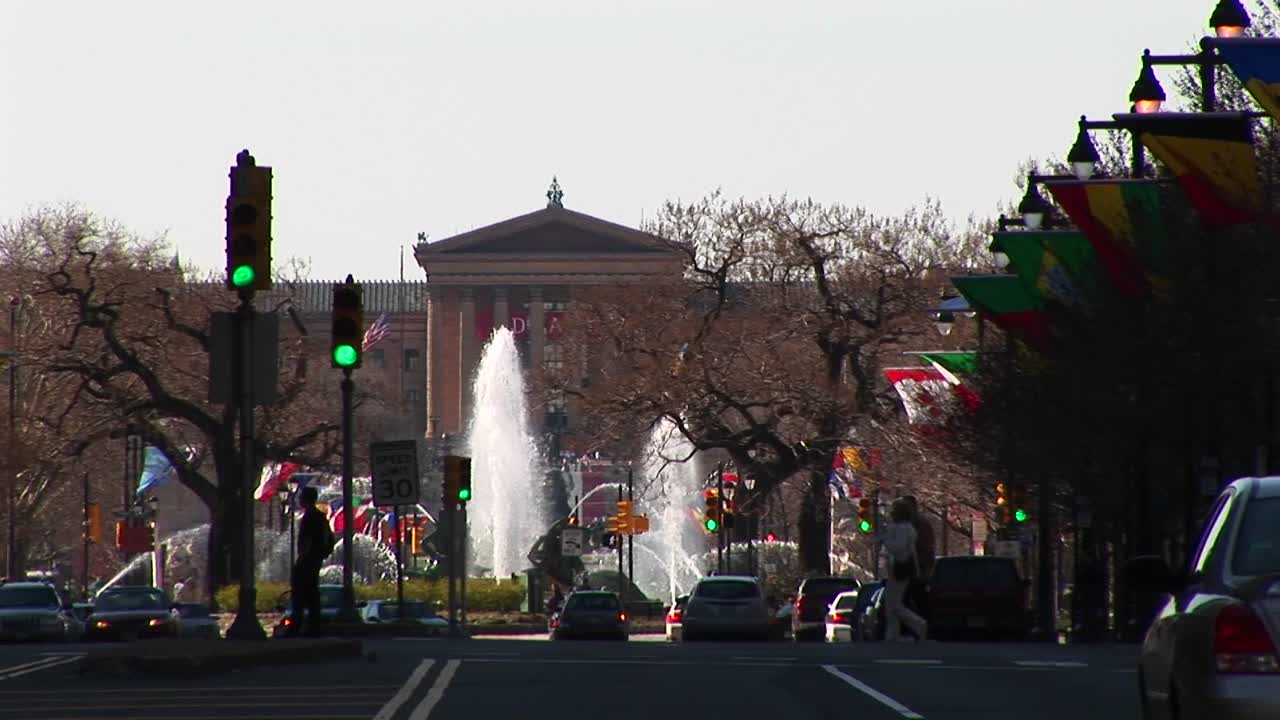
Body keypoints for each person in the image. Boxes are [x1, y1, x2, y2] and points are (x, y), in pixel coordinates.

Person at [876, 499, 928, 643]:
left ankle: (919, 624)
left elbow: (899, 548)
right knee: (891, 604)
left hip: (900, 568)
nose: (891, 513)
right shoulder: (905, 528)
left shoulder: (903, 529)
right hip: (900, 568)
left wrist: (885, 540)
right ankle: (893, 634)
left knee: (894, 604)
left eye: (894, 511)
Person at [291, 486, 335, 636]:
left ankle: (296, 627)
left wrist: (304, 556)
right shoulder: (320, 517)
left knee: (300, 593)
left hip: (308, 560)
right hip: (314, 559)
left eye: (301, 497)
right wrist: (322, 554)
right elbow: (330, 540)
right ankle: (312, 627)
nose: (298, 500)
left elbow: (308, 540)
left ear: (306, 499)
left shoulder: (310, 517)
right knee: (311, 595)